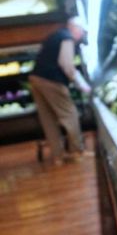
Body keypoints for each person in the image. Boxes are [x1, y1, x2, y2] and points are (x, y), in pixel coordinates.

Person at [29, 17, 92, 166]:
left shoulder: (55, 35)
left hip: (36, 78)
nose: (82, 35)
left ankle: (58, 156)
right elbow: (66, 65)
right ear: (75, 28)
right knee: (70, 114)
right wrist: (82, 85)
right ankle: (77, 152)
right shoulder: (67, 38)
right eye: (82, 32)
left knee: (48, 119)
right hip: (51, 80)